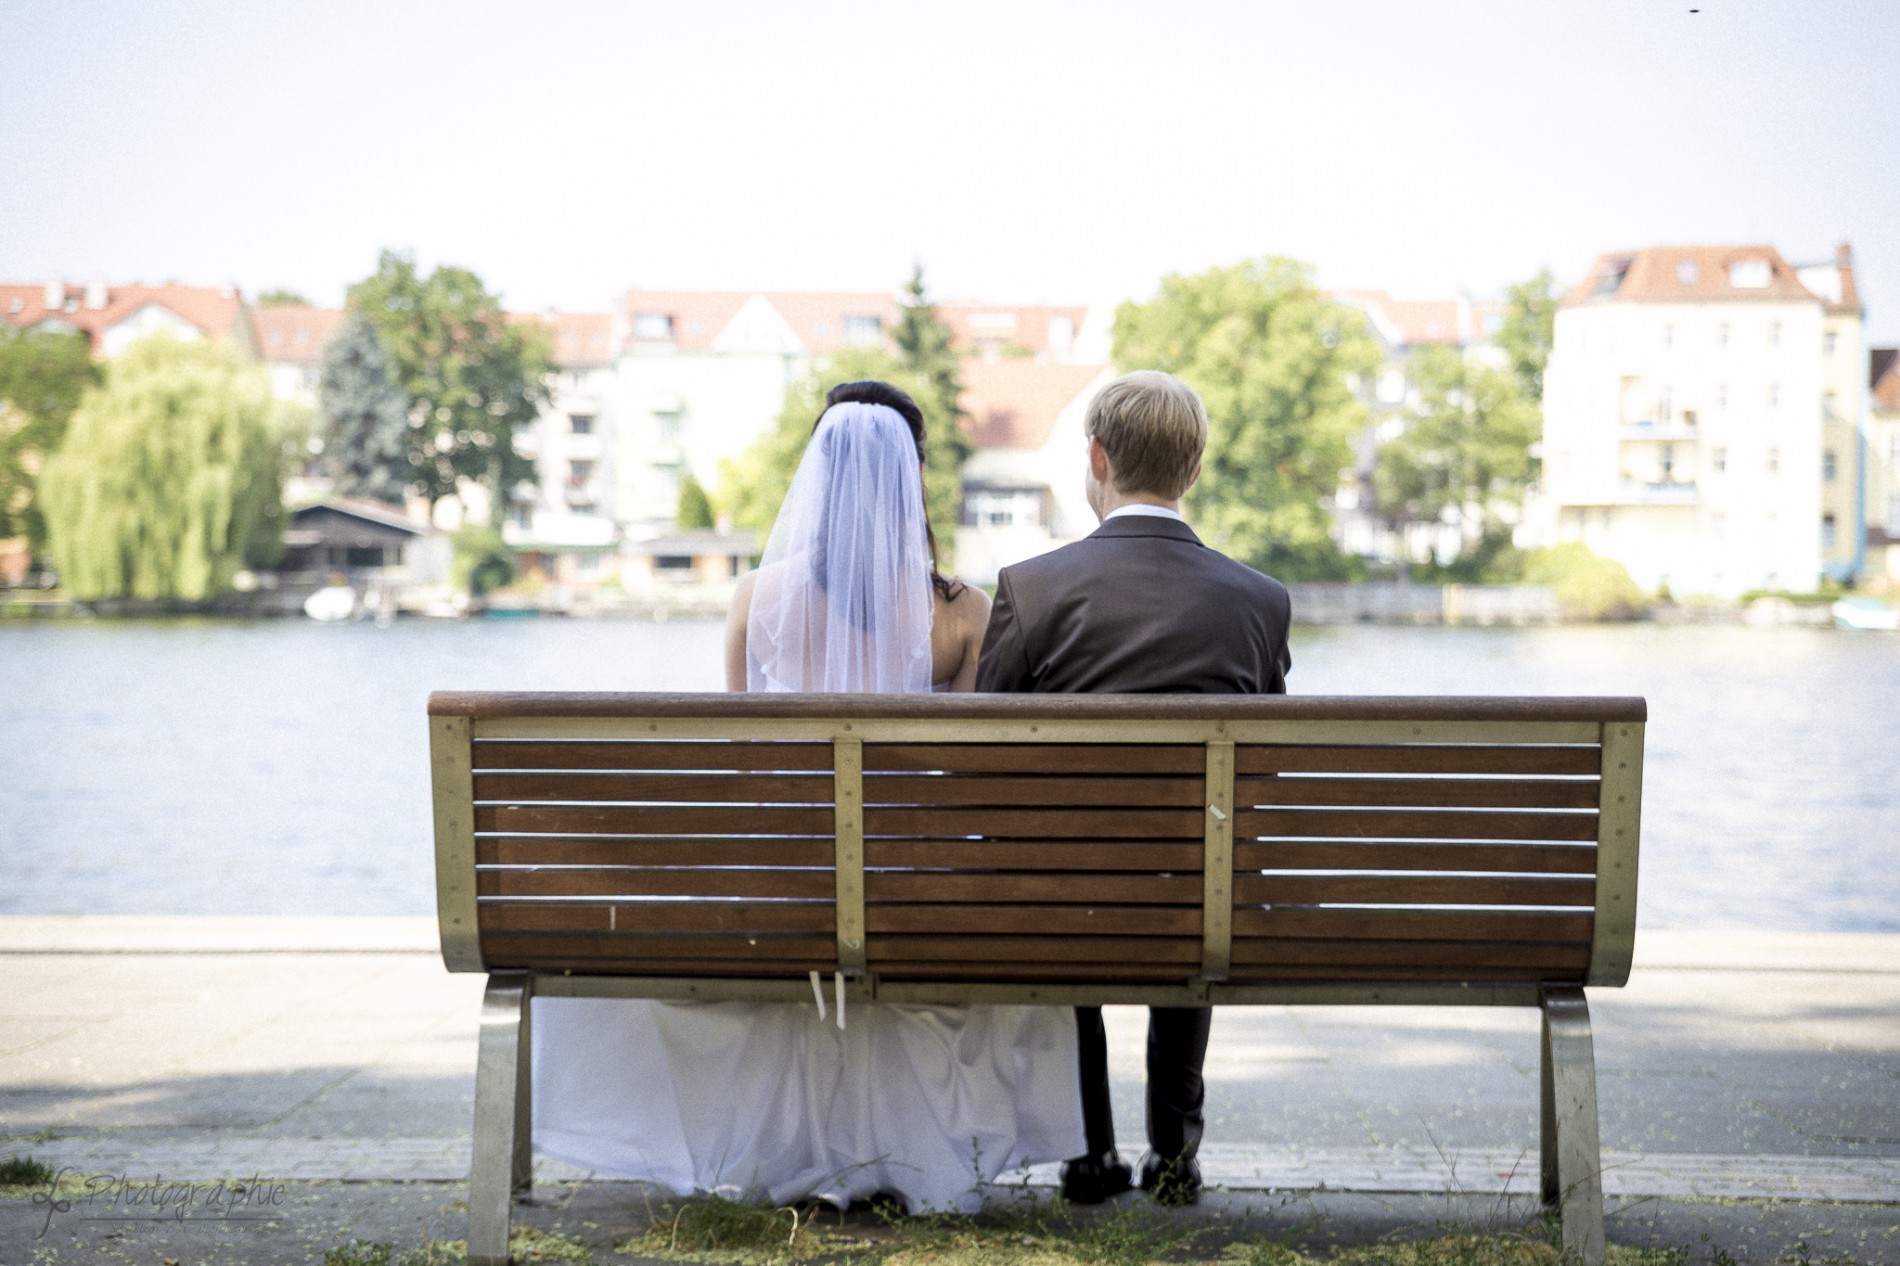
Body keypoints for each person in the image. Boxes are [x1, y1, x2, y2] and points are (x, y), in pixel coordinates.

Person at [531, 381, 1085, 1213]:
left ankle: (794, 1147)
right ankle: (903, 1148)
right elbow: (966, 786)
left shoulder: (757, 600)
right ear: (913, 480)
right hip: (911, 894)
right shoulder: (963, 614)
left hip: (787, 886)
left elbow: (741, 768)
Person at [975, 370, 1292, 1207]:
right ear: (1193, 471)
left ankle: (1090, 1153)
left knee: (1067, 869)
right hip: (1200, 892)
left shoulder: (1031, 589)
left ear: (1096, 458)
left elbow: (978, 754)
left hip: (1063, 894)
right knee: (1197, 865)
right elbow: (1266, 770)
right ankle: (1175, 1155)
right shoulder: (1259, 601)